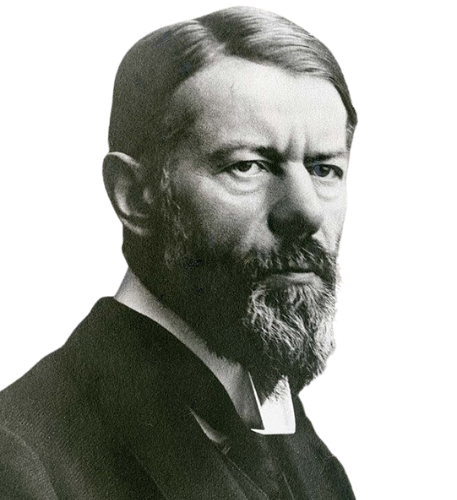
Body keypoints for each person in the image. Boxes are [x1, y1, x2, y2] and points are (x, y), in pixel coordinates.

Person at [0, 6, 357, 499]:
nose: (306, 212)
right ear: (134, 196)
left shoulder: (305, 449)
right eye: (247, 165)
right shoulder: (18, 458)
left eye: (324, 170)